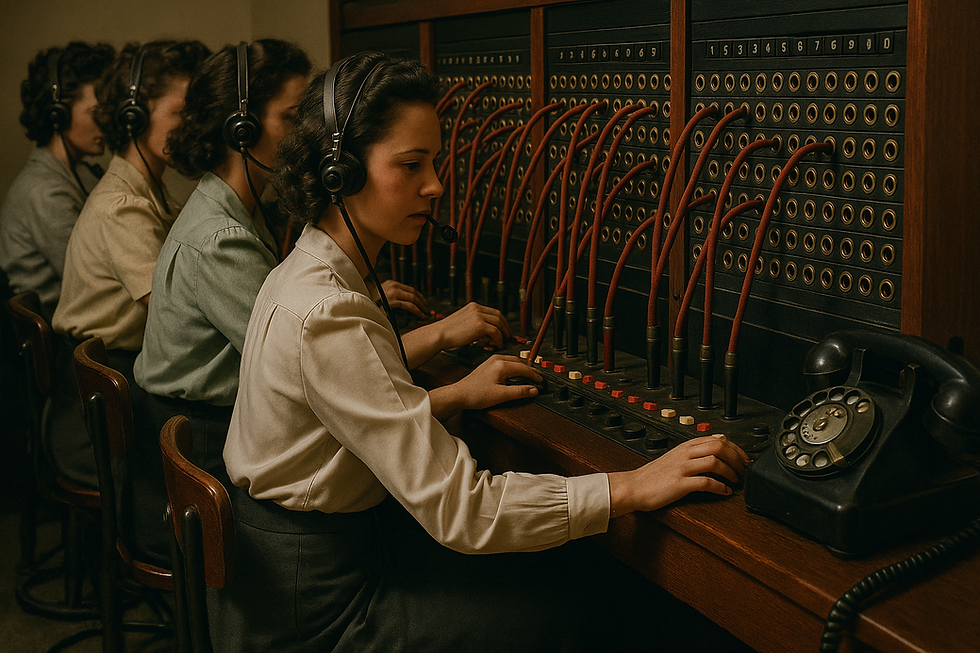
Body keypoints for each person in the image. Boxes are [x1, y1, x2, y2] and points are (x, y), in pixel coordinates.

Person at [216, 51, 751, 651]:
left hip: (293, 571)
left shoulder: (310, 271)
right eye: (411, 164)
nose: (435, 185)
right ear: (341, 172)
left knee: (563, 572)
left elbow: (349, 426)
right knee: (589, 602)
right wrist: (630, 485)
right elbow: (462, 513)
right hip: (318, 611)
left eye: (435, 162)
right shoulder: (328, 314)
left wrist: (448, 398)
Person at [131, 40, 311, 564]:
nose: (306, 135)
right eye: (293, 117)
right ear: (242, 129)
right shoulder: (219, 238)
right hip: (199, 459)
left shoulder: (233, 209)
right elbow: (298, 363)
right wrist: (439, 334)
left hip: (198, 438)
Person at [44, 40, 209, 496]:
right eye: (182, 112)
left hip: (121, 391)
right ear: (134, 116)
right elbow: (176, 313)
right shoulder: (122, 205)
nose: (194, 125)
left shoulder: (149, 191)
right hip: (99, 419)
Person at [0, 42, 115, 322]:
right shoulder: (44, 191)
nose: (105, 122)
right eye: (94, 111)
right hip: (64, 341)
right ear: (58, 114)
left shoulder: (81, 173)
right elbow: (90, 282)